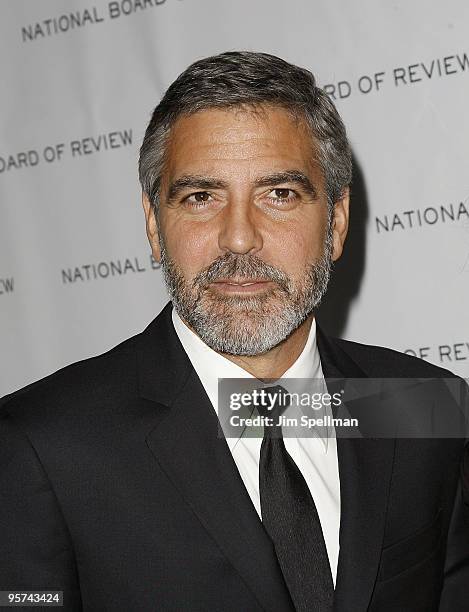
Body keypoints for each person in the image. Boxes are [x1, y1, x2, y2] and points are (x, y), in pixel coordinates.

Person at [1, 51, 468, 612]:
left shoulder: (424, 406)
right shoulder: (42, 445)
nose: (239, 238)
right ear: (154, 227)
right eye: (201, 198)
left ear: (337, 223)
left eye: (280, 195)